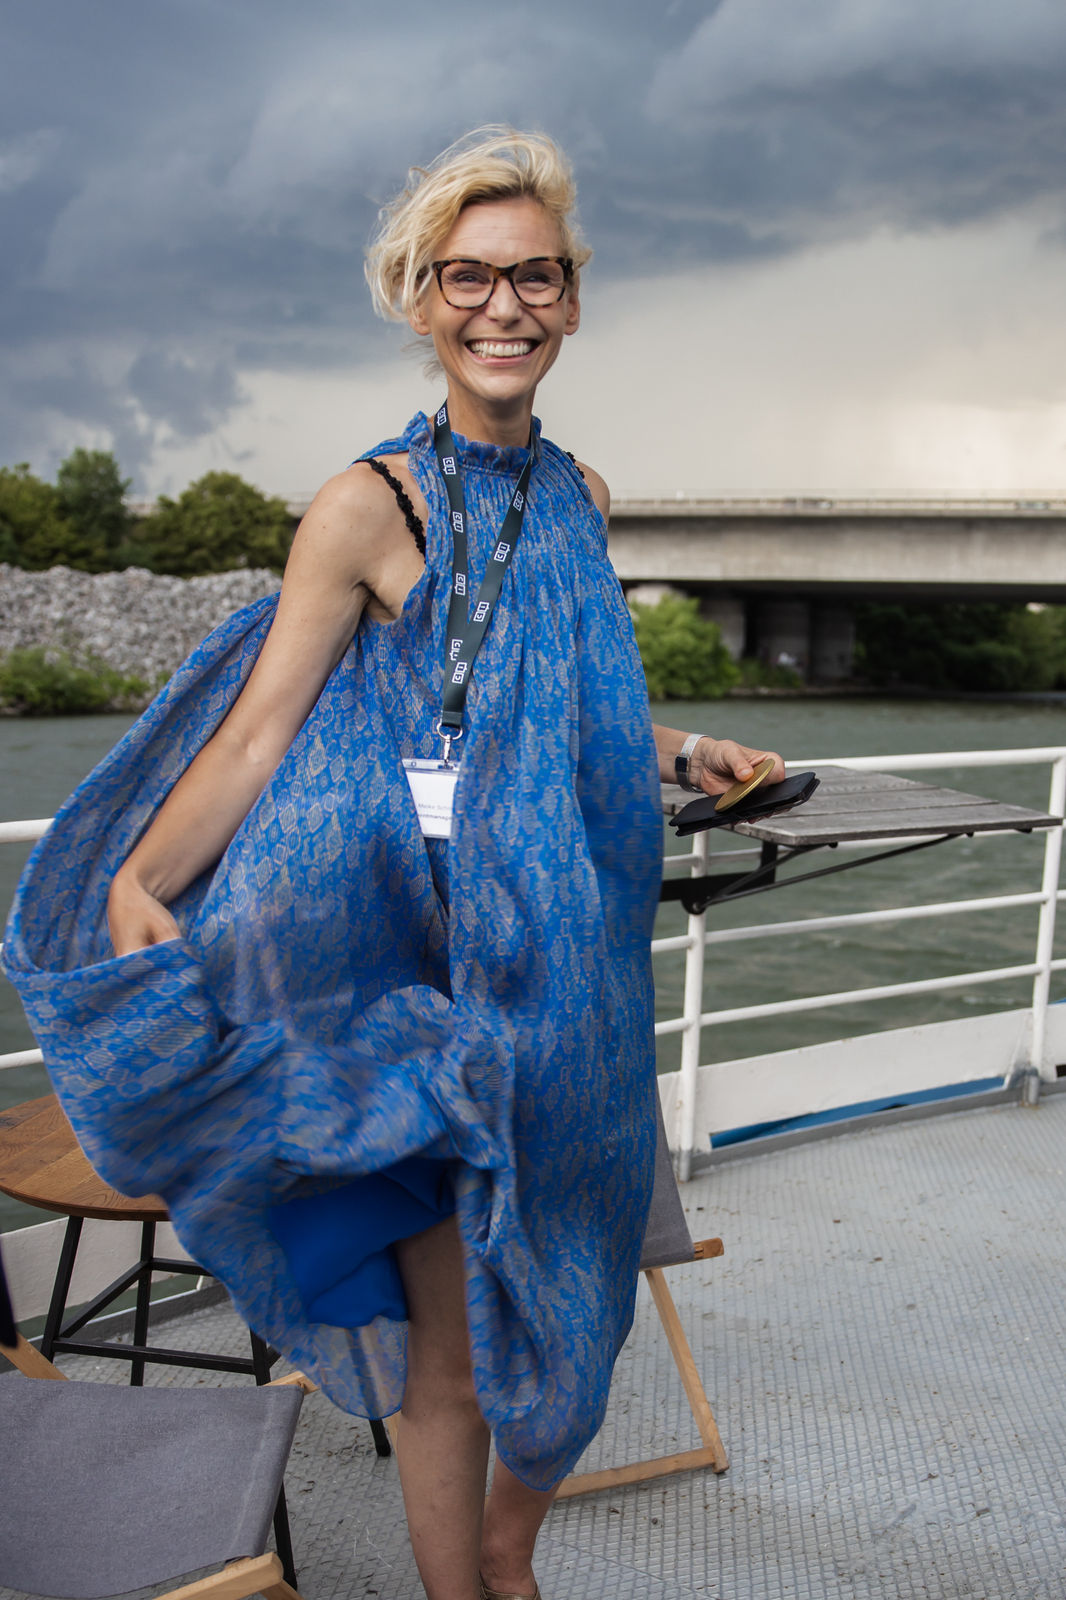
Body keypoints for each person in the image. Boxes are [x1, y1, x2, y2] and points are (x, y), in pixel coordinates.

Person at [5, 128, 782, 1600]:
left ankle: (506, 1558)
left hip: (556, 982)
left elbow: (559, 705)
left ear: (570, 299)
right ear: (419, 299)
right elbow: (255, 736)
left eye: (533, 277)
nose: (505, 306)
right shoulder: (367, 504)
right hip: (406, 989)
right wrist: (144, 888)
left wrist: (681, 749)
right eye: (470, 278)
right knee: (447, 1350)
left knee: (566, 1287)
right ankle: (471, 1592)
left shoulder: (578, 497)